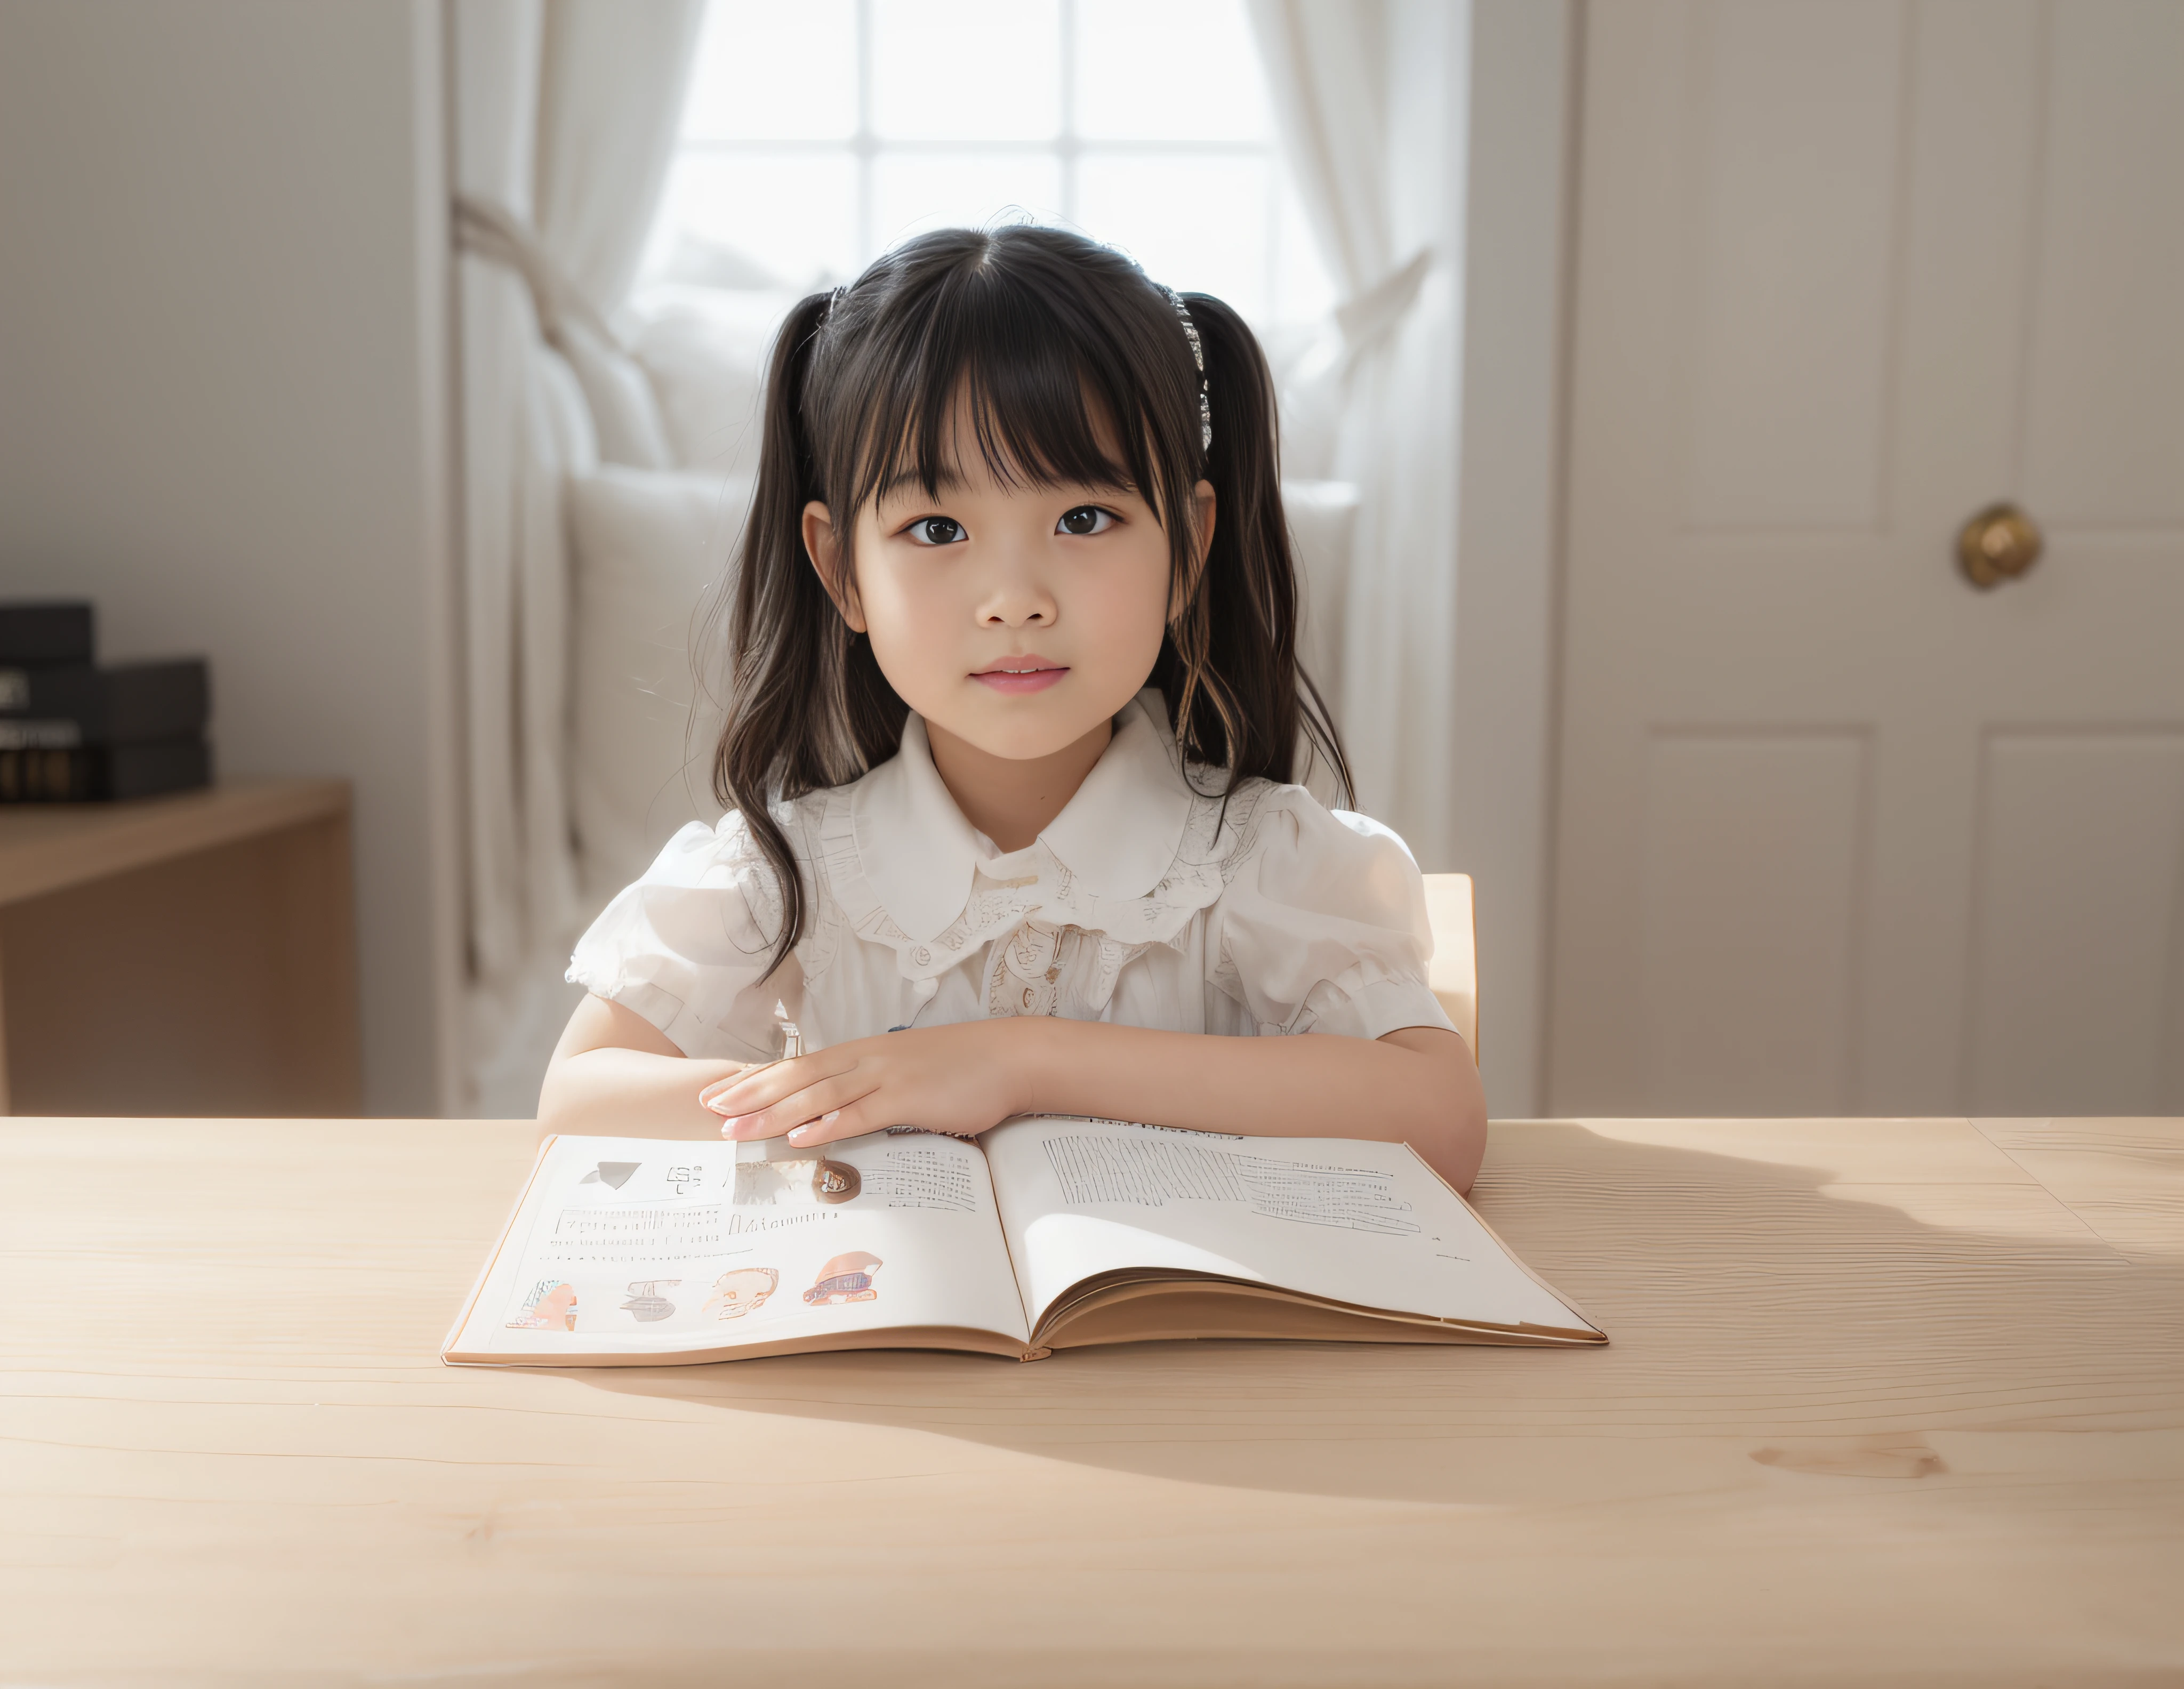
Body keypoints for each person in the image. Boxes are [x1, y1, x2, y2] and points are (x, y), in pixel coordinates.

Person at [536, 226, 1487, 1192]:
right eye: (937, 528)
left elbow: (1438, 1116)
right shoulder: (788, 877)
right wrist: (872, 1093)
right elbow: (578, 1102)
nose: (1014, 599)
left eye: (1084, 519)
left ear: (1189, 545)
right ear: (841, 570)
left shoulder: (1261, 861)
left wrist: (1023, 1062)